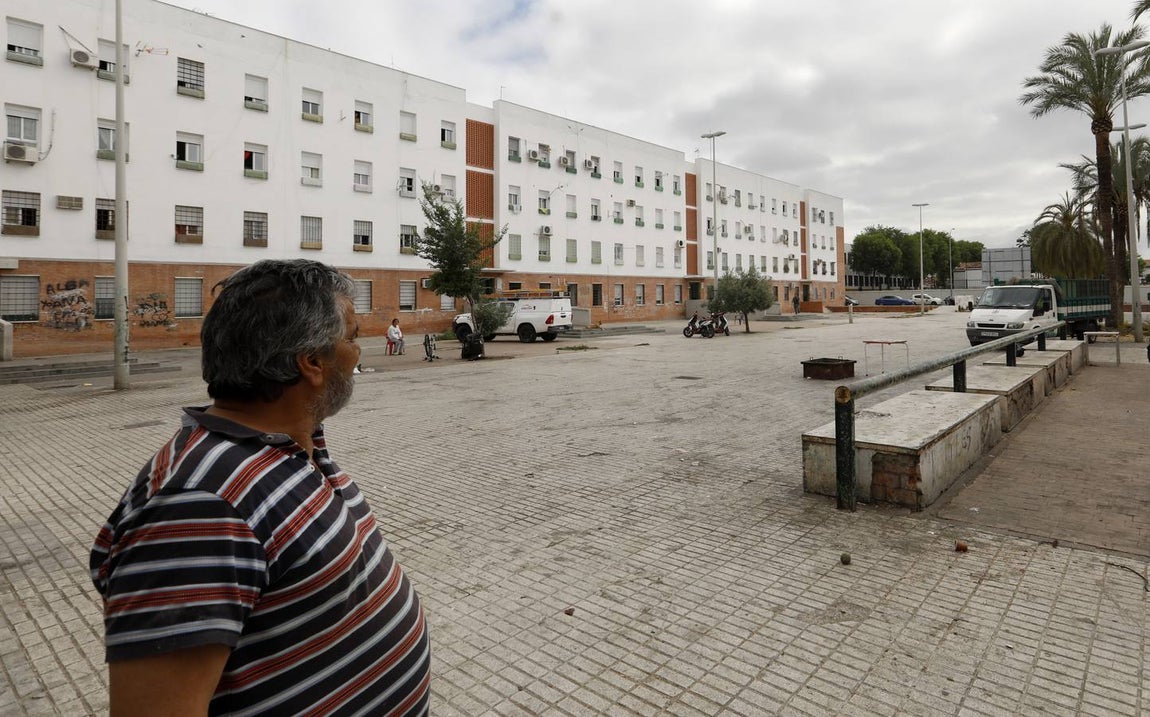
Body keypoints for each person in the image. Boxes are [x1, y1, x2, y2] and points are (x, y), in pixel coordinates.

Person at [90, 260, 430, 715]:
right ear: (311, 362)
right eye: (350, 337)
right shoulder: (201, 506)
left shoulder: (289, 443)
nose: (358, 351)